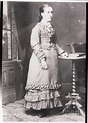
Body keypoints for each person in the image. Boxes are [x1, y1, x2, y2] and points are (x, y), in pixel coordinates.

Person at [24, 4, 68, 117]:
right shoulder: (37, 27)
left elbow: (55, 43)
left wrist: (62, 52)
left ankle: (49, 106)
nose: (51, 15)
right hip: (41, 58)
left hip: (53, 57)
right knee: (41, 82)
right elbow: (34, 43)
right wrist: (42, 59)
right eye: (48, 12)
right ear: (42, 13)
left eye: (51, 12)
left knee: (50, 82)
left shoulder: (52, 27)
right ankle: (40, 109)